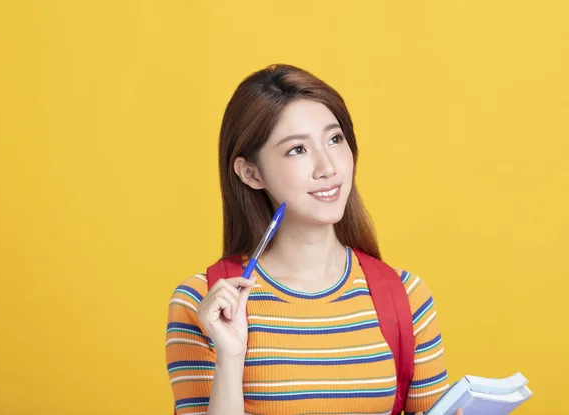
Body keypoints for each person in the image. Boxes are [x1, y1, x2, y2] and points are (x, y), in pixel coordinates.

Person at [165, 64, 461, 415]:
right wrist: (230, 358)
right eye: (297, 150)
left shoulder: (409, 298)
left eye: (335, 139)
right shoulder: (204, 305)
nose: (327, 167)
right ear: (251, 172)